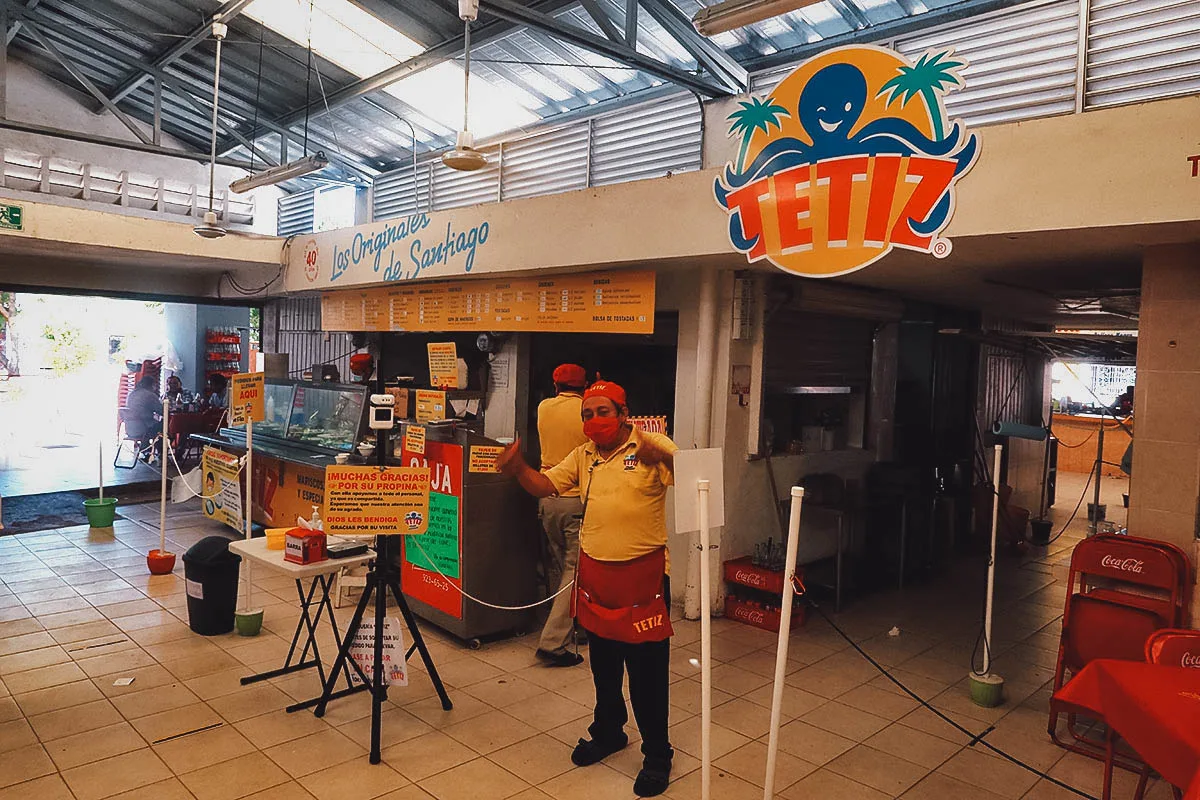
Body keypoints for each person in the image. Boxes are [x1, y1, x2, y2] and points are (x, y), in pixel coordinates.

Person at [498, 380, 677, 797]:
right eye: (587, 414)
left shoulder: (651, 445)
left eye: (603, 411)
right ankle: (609, 730)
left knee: (647, 673)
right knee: (605, 665)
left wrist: (665, 456)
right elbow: (547, 485)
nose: (594, 420)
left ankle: (657, 753)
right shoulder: (584, 456)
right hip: (596, 575)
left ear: (623, 411)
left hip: (643, 578)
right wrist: (519, 469)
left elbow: (701, 477)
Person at [534, 363, 590, 667]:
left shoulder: (544, 407)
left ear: (555, 386)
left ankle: (574, 629)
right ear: (584, 388)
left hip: (547, 498)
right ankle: (553, 642)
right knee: (576, 570)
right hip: (574, 500)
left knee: (561, 568)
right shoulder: (587, 411)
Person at [123, 376, 160, 454]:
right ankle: (161, 454)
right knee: (164, 429)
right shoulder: (150, 395)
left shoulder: (132, 394)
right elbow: (162, 410)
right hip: (144, 428)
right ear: (152, 385)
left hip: (130, 429)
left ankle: (146, 450)